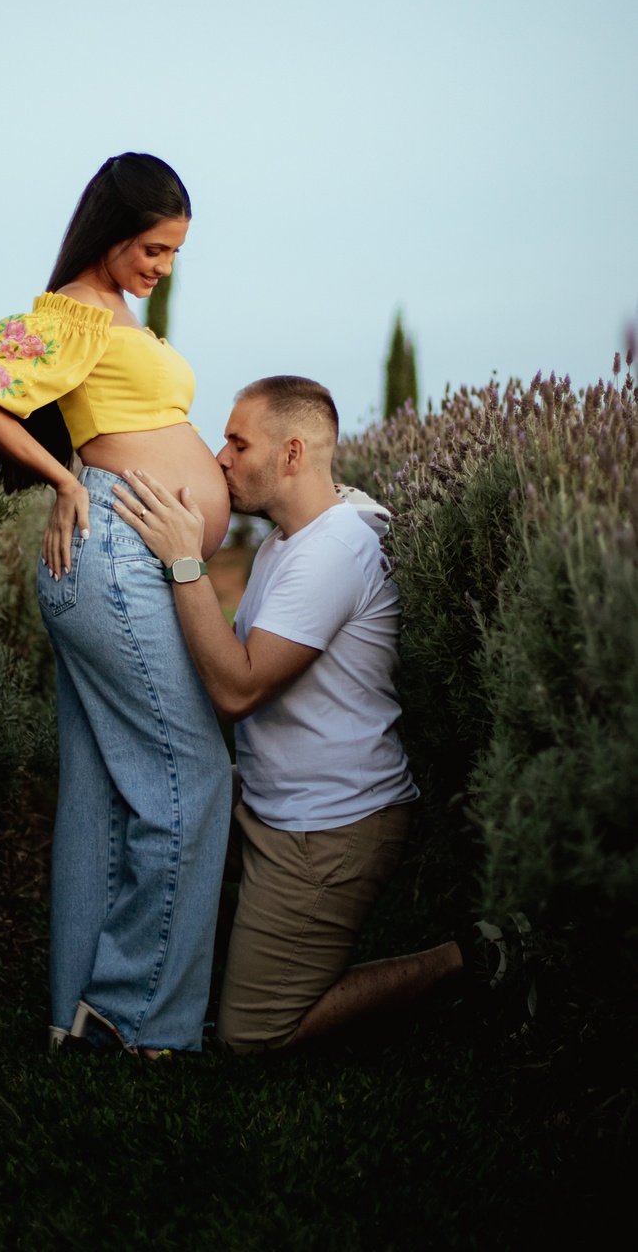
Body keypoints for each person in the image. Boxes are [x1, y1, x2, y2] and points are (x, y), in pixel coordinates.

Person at [114, 376, 535, 1052]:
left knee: (254, 1037)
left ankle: (474, 956)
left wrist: (185, 564)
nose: (220, 457)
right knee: (155, 806)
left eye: (238, 443)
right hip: (274, 800)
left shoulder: (332, 553)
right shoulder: (290, 540)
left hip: (328, 825)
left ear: (292, 454)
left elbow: (239, 691)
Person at [0, 154, 232, 1055]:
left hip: (122, 560)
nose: (163, 268)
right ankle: (137, 1017)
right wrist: (65, 482)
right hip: (113, 556)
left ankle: (77, 1013)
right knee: (193, 778)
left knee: (105, 792)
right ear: (111, 234)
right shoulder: (75, 311)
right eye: (153, 249)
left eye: (174, 253)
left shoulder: (113, 316)